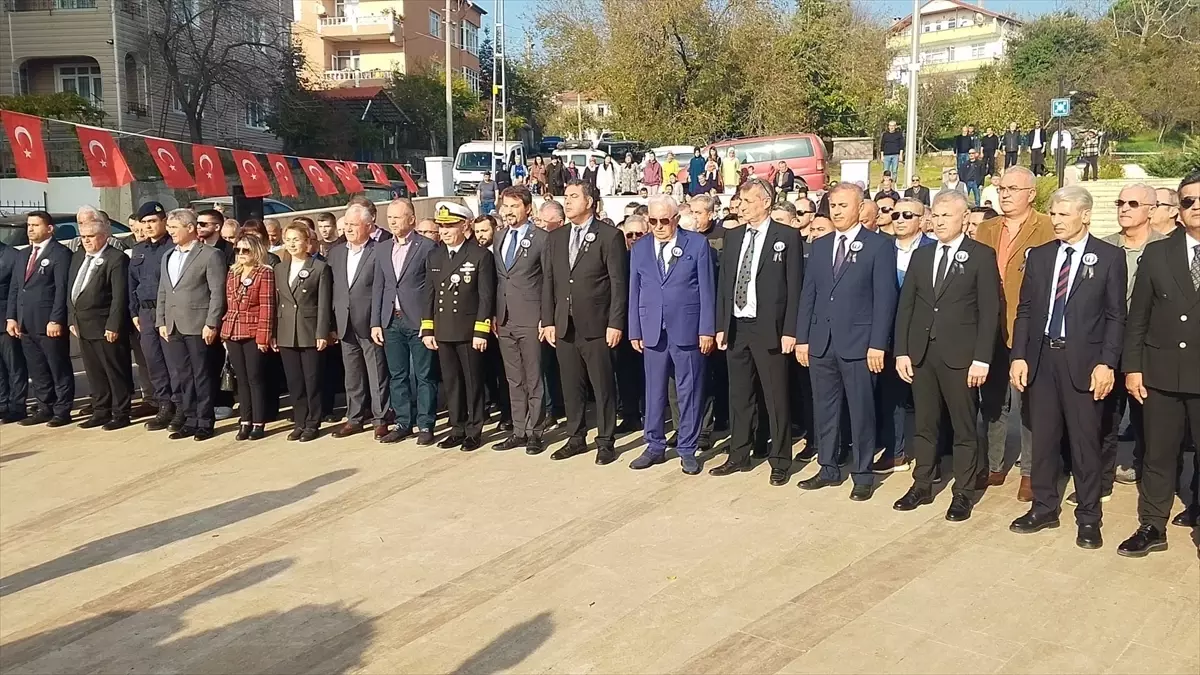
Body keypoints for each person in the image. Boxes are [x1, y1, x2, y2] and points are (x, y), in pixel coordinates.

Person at [1008, 186, 1126, 550]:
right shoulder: (1042, 257)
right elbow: (1026, 309)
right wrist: (1019, 355)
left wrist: (1107, 363)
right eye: (1054, 213)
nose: (1056, 221)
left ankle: (1089, 517)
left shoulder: (1108, 257)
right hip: (1043, 359)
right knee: (1043, 438)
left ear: (1085, 215)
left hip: (1085, 363)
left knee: (1085, 442)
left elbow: (1115, 316)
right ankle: (1044, 507)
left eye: (1064, 214)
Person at [892, 191, 1001, 519]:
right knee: (925, 424)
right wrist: (902, 352)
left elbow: (989, 310)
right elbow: (907, 306)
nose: (938, 222)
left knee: (964, 426)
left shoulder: (980, 255)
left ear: (964, 218)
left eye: (946, 216)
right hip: (922, 354)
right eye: (935, 215)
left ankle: (964, 492)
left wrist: (982, 358)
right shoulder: (923, 256)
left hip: (961, 357)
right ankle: (922, 483)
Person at [796, 183, 897, 500]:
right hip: (821, 342)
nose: (837, 211)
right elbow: (808, 295)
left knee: (861, 410)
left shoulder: (878, 246)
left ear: (859, 207)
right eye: (833, 205)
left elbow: (884, 299)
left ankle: (863, 473)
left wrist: (878, 343)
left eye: (843, 205)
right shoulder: (822, 245)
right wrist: (803, 339)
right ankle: (827, 467)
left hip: (859, 344)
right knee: (824, 410)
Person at [1117, 172, 1200, 556]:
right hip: (1161, 372)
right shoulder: (1158, 252)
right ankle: (1152, 525)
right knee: (1158, 455)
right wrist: (1133, 367)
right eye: (1187, 201)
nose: (1194, 206)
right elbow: (1139, 318)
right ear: (1177, 210)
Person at [709, 178, 803, 485]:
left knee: (775, 396)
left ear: (765, 202)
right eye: (740, 201)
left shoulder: (786, 236)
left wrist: (790, 330)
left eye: (748, 201)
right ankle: (739, 453)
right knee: (740, 394)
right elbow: (725, 284)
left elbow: (795, 287)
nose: (742, 207)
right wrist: (722, 325)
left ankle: (779, 459)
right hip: (738, 326)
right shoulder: (733, 236)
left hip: (770, 328)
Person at [974, 166, 1054, 500]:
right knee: (993, 402)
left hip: (1029, 328)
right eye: (1002, 188)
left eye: (1013, 189)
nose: (1005, 195)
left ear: (1031, 194)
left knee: (1030, 403)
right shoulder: (986, 229)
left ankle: (1031, 471)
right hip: (991, 327)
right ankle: (994, 464)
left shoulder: (1047, 228)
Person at [626, 195, 716, 475]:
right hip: (652, 328)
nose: (658, 226)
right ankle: (654, 444)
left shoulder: (697, 243)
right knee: (654, 390)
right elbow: (635, 291)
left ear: (675, 219)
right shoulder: (640, 248)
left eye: (664, 220)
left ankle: (687, 448)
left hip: (687, 328)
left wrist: (707, 329)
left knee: (689, 390)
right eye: (653, 221)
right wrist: (634, 329)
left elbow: (707, 289)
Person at [543, 179, 628, 464]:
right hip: (564, 324)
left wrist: (615, 323)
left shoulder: (609, 236)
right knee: (571, 385)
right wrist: (548, 320)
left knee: (602, 385)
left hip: (597, 324)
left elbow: (618, 283)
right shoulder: (556, 237)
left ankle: (605, 440)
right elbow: (550, 282)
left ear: (589, 202)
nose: (567, 202)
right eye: (565, 197)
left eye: (574, 197)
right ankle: (576, 437)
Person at [1099, 185, 1165, 489]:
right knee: (1105, 419)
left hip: (1149, 349)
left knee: (1147, 421)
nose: (1124, 208)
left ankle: (1146, 473)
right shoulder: (1103, 247)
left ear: (1151, 210)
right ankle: (1100, 481)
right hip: (1108, 346)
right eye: (1120, 202)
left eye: (1133, 203)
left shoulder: (1166, 249)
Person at [421, 202, 496, 450]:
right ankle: (457, 427)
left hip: (468, 330)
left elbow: (486, 296)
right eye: (441, 226)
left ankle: (474, 429)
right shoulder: (435, 255)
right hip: (444, 330)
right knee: (452, 382)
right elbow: (429, 294)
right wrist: (428, 328)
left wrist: (481, 330)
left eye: (450, 226)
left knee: (473, 382)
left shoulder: (479, 255)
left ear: (464, 226)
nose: (444, 231)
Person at [872, 198, 934, 474]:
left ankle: (931, 456)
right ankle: (895, 452)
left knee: (927, 399)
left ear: (922, 219)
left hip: (925, 334)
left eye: (907, 215)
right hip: (890, 334)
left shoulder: (933, 248)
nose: (899, 219)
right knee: (892, 396)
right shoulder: (881, 248)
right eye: (895, 214)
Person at [371, 198, 439, 446]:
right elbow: (379, 286)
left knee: (424, 375)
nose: (392, 222)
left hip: (418, 320)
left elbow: (432, 287)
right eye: (389, 217)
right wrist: (376, 322)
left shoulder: (427, 247)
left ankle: (425, 423)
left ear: (412, 219)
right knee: (397, 375)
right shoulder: (381, 248)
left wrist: (429, 321)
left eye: (397, 217)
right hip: (391, 320)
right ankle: (402, 422)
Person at [156, 209, 227, 441]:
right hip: (174, 324)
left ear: (190, 228)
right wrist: (161, 320)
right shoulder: (168, 255)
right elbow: (164, 290)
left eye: (174, 228)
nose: (170, 232)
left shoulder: (210, 255)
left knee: (202, 374)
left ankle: (205, 421)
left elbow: (217, 292)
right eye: (169, 228)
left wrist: (212, 323)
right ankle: (190, 418)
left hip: (198, 324)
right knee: (184, 375)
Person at [491, 186, 552, 454]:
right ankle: (518, 430)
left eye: (514, 206)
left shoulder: (541, 239)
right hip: (504, 318)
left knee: (533, 377)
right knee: (513, 378)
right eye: (505, 206)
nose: (508, 211)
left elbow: (549, 281)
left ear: (528, 208)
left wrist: (545, 317)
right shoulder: (500, 237)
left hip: (531, 317)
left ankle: (536, 431)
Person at [327, 203, 390, 440]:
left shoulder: (380, 250)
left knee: (376, 372)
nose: (349, 229)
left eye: (354, 225)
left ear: (368, 226)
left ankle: (380, 417)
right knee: (352, 373)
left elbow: (380, 289)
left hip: (370, 321)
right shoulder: (336, 252)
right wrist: (331, 323)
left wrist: (377, 321)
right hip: (344, 321)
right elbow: (332, 289)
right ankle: (354, 418)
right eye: (346, 225)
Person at [67, 208, 133, 430]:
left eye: (91, 237)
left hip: (105, 325)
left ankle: (121, 412)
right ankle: (101, 409)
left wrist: (113, 325)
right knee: (94, 371)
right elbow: (72, 290)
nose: (86, 241)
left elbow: (119, 296)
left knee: (114, 370)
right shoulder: (78, 257)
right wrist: (71, 319)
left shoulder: (115, 259)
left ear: (104, 236)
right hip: (83, 325)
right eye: (83, 237)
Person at [8, 211, 73, 427]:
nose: (30, 229)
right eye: (29, 225)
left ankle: (62, 410)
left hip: (48, 322)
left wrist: (56, 319)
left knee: (57, 366)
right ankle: (45, 406)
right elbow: (16, 289)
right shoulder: (23, 254)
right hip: (26, 322)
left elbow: (62, 289)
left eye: (36, 225)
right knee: (37, 369)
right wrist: (12, 318)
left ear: (49, 229)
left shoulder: (60, 253)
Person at [273, 222, 332, 442]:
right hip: (287, 330)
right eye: (288, 239)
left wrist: (322, 333)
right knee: (294, 381)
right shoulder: (280, 269)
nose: (292, 244)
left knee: (312, 379)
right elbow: (276, 302)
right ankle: (300, 421)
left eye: (296, 239)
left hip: (309, 330)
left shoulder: (319, 268)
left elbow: (324, 304)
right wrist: (273, 332)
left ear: (307, 242)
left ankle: (313, 422)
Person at [218, 234, 276, 441]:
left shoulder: (265, 273)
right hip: (233, 330)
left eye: (246, 250)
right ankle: (245, 420)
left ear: (256, 251)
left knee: (255, 378)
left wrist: (264, 336)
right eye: (238, 250)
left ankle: (259, 422)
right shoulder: (233, 273)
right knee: (241, 379)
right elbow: (228, 303)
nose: (241, 254)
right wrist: (225, 333)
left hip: (253, 330)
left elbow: (267, 308)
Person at [470, 214, 512, 431]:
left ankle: (508, 414)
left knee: (502, 370)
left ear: (496, 229)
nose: (481, 236)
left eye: (485, 231)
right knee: (482, 370)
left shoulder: (502, 254)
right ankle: (485, 408)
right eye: (477, 232)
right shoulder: (474, 254)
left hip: (501, 320)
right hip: (479, 321)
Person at [0, 238, 26, 423]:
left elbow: (15, 291)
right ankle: (2, 404)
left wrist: (13, 317)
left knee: (14, 365)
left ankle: (17, 406)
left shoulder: (11, 256)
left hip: (6, 321)